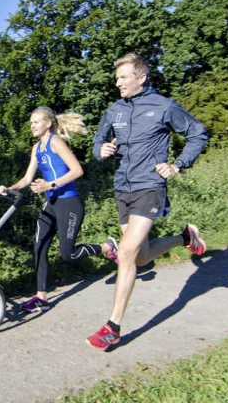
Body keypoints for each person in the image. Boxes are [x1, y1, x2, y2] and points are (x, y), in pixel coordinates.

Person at [86, 53, 209, 351]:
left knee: (126, 253)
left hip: (150, 186)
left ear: (141, 77)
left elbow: (198, 133)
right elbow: (96, 145)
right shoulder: (113, 110)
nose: (118, 83)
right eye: (117, 78)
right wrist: (100, 151)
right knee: (140, 257)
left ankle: (112, 327)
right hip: (122, 188)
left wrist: (178, 165)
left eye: (123, 77)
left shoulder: (164, 106)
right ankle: (185, 238)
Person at [0, 107, 118, 313]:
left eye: (36, 122)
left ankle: (107, 248)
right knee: (40, 247)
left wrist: (49, 185)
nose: (32, 125)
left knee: (67, 255)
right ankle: (41, 297)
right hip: (50, 205)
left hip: (69, 204)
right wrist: (9, 188)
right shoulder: (37, 148)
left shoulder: (55, 142)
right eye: (31, 122)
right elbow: (27, 179)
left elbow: (77, 170)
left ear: (48, 124)